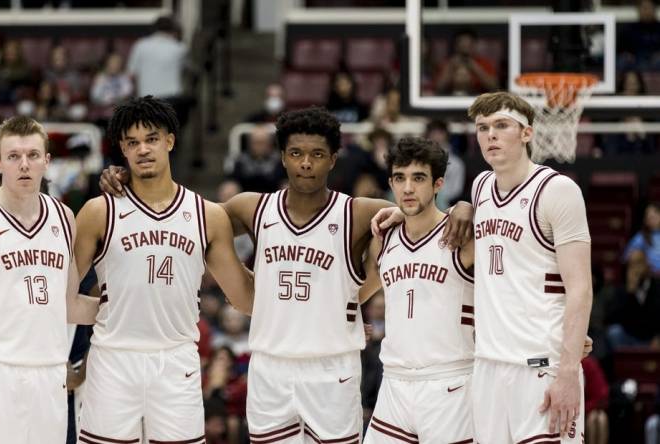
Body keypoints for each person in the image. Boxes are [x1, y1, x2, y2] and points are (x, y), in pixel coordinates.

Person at [100, 106, 474, 442]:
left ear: (333, 159)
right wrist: (130, 179)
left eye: (316, 154)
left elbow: (424, 214)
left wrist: (463, 206)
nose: (305, 163)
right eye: (296, 153)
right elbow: (184, 219)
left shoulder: (360, 213)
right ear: (282, 157)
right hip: (269, 366)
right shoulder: (252, 207)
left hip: (332, 368)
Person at [371, 91, 592, 443]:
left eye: (502, 125)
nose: (490, 135)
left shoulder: (558, 191)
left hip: (540, 366)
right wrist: (407, 212)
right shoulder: (482, 187)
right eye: (483, 127)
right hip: (487, 367)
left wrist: (567, 369)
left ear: (527, 133)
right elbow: (444, 222)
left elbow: (580, 288)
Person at [73, 96, 254, 444]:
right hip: (113, 359)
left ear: (170, 141)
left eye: (152, 138)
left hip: (176, 362)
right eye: (132, 143)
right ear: (122, 151)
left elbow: (244, 298)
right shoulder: (99, 211)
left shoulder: (208, 215)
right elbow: (60, 295)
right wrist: (108, 311)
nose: (143, 149)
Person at [0, 116, 99, 444]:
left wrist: (127, 304)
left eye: (32, 155)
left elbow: (68, 306)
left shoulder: (64, 217)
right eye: (13, 156)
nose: (24, 165)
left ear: (47, 161)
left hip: (51, 375)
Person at [360, 137, 476, 443]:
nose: (408, 188)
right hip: (394, 384)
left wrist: (467, 205)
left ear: (438, 183)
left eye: (418, 178)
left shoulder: (461, 233)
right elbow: (357, 292)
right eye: (400, 178)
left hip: (449, 383)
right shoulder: (384, 237)